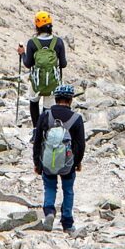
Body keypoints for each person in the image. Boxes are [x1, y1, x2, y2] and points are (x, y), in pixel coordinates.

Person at [33, 83, 85, 234]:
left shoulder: (45, 116)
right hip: (68, 162)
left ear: (55, 99)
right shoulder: (76, 118)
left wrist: (37, 162)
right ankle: (67, 223)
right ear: (70, 100)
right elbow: (80, 144)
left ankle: (49, 212)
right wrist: (77, 162)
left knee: (50, 187)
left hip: (48, 161)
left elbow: (37, 141)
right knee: (68, 190)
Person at [17, 10, 68, 126]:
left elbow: (28, 64)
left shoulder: (32, 43)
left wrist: (22, 54)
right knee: (48, 108)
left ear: (37, 26)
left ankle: (36, 129)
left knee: (33, 102)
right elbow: (63, 64)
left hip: (36, 81)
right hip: (53, 82)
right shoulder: (58, 42)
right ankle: (45, 130)